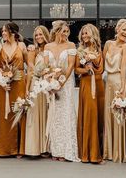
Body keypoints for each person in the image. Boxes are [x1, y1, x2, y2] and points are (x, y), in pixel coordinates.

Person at [44, 20, 79, 162]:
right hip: (52, 83)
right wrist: (50, 82)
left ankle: (67, 150)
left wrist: (61, 82)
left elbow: (71, 66)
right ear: (56, 31)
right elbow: (46, 66)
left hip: (66, 84)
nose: (65, 34)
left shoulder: (70, 45)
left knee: (66, 113)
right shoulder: (47, 46)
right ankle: (56, 150)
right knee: (54, 115)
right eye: (63, 31)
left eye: (67, 31)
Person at [103, 19, 126, 163]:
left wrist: (122, 88)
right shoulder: (108, 44)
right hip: (108, 83)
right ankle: (108, 151)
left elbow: (123, 68)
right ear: (118, 29)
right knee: (109, 116)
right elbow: (102, 64)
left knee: (119, 116)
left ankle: (119, 151)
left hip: (120, 84)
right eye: (124, 29)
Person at [0, 22, 27, 157]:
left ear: (12, 33)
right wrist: (2, 82)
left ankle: (20, 148)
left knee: (19, 111)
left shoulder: (22, 46)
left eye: (5, 31)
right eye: (2, 31)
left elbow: (29, 64)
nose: (3, 33)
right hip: (5, 85)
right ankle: (6, 148)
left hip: (19, 82)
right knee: (6, 114)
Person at [75, 24, 105, 163]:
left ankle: (99, 149)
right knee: (90, 115)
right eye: (83, 34)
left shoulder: (100, 49)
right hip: (86, 84)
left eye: (86, 33)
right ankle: (89, 154)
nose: (84, 36)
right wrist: (86, 69)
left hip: (99, 85)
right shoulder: (80, 50)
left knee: (99, 116)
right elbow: (76, 69)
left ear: (93, 34)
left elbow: (102, 70)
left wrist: (93, 62)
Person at [25, 26, 50, 156]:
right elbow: (30, 70)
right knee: (34, 115)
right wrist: (27, 89)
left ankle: (46, 147)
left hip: (47, 85)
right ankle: (34, 147)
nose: (38, 37)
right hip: (36, 85)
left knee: (47, 114)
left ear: (45, 35)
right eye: (36, 35)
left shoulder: (50, 48)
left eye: (41, 34)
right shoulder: (32, 50)